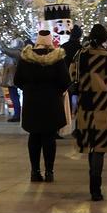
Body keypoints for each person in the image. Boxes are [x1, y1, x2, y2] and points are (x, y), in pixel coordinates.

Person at [69, 23, 107, 202]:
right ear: (105, 38)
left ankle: (93, 183)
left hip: (87, 104)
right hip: (106, 105)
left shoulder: (81, 55)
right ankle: (96, 189)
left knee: (91, 145)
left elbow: (72, 74)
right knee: (100, 147)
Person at [15, 30, 70, 182]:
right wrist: (55, 91)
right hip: (51, 103)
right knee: (49, 137)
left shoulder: (26, 58)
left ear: (37, 41)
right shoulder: (57, 58)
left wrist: (29, 90)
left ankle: (34, 171)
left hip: (32, 103)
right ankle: (49, 172)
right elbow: (65, 80)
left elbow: (17, 80)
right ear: (50, 40)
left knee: (34, 136)